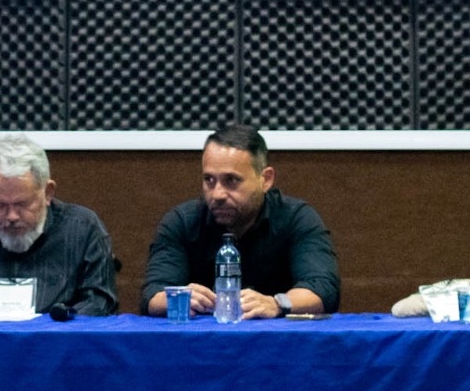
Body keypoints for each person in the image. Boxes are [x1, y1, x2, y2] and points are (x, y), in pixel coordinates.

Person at [141, 124, 339, 318]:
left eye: (231, 180)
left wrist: (276, 303)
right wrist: (178, 297)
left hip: (279, 337)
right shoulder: (182, 222)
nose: (217, 194)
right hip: (203, 337)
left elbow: (323, 289)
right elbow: (152, 295)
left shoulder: (296, 218)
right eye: (209, 180)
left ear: (266, 179)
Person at [0, 133, 117, 317]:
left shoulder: (83, 230)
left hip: (57, 340)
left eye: (22, 204)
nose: (11, 216)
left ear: (48, 192)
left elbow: (99, 306)